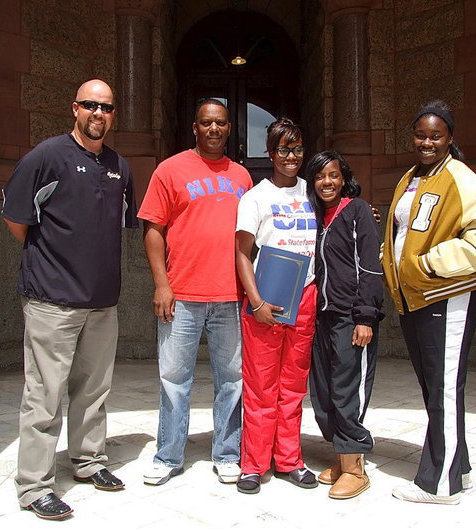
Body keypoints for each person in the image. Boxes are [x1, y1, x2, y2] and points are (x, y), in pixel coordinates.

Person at [2, 79, 138, 520]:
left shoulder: (120, 166)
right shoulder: (46, 156)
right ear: (74, 109)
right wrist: (52, 262)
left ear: (114, 115)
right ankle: (34, 485)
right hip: (52, 300)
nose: (98, 114)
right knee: (44, 395)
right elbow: (16, 220)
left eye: (107, 108)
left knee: (93, 390)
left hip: (101, 301)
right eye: (90, 106)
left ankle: (88, 461)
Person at [381, 100, 476, 505]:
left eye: (436, 135)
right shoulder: (412, 177)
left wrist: (430, 265)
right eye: (421, 134)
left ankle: (439, 484)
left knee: (445, 387)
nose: (427, 142)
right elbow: (401, 230)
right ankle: (459, 468)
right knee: (435, 386)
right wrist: (392, 262)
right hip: (415, 297)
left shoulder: (460, 178)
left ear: (450, 137)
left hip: (446, 295)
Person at [138, 98, 252, 486]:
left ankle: (227, 453)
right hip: (182, 294)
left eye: (220, 123)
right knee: (173, 377)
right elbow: (153, 230)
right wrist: (161, 284)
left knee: (232, 379)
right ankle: (168, 455)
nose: (214, 130)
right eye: (207, 123)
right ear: (195, 127)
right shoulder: (170, 170)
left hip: (230, 296)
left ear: (229, 127)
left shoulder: (242, 177)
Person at [234, 118, 318, 494]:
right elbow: (241, 253)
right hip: (266, 298)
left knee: (293, 385)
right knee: (261, 384)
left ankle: (289, 459)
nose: (291, 157)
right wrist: (256, 301)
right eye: (283, 149)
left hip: (306, 295)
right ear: (270, 153)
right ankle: (253, 464)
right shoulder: (255, 197)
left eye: (297, 149)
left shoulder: (312, 192)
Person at [304, 151, 383, 500]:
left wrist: (365, 315)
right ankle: (340, 456)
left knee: (347, 389)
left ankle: (355, 467)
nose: (327, 182)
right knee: (323, 392)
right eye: (320, 176)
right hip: (322, 316)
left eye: (334, 175)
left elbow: (369, 265)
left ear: (343, 177)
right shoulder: (317, 217)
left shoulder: (358, 211)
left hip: (351, 317)